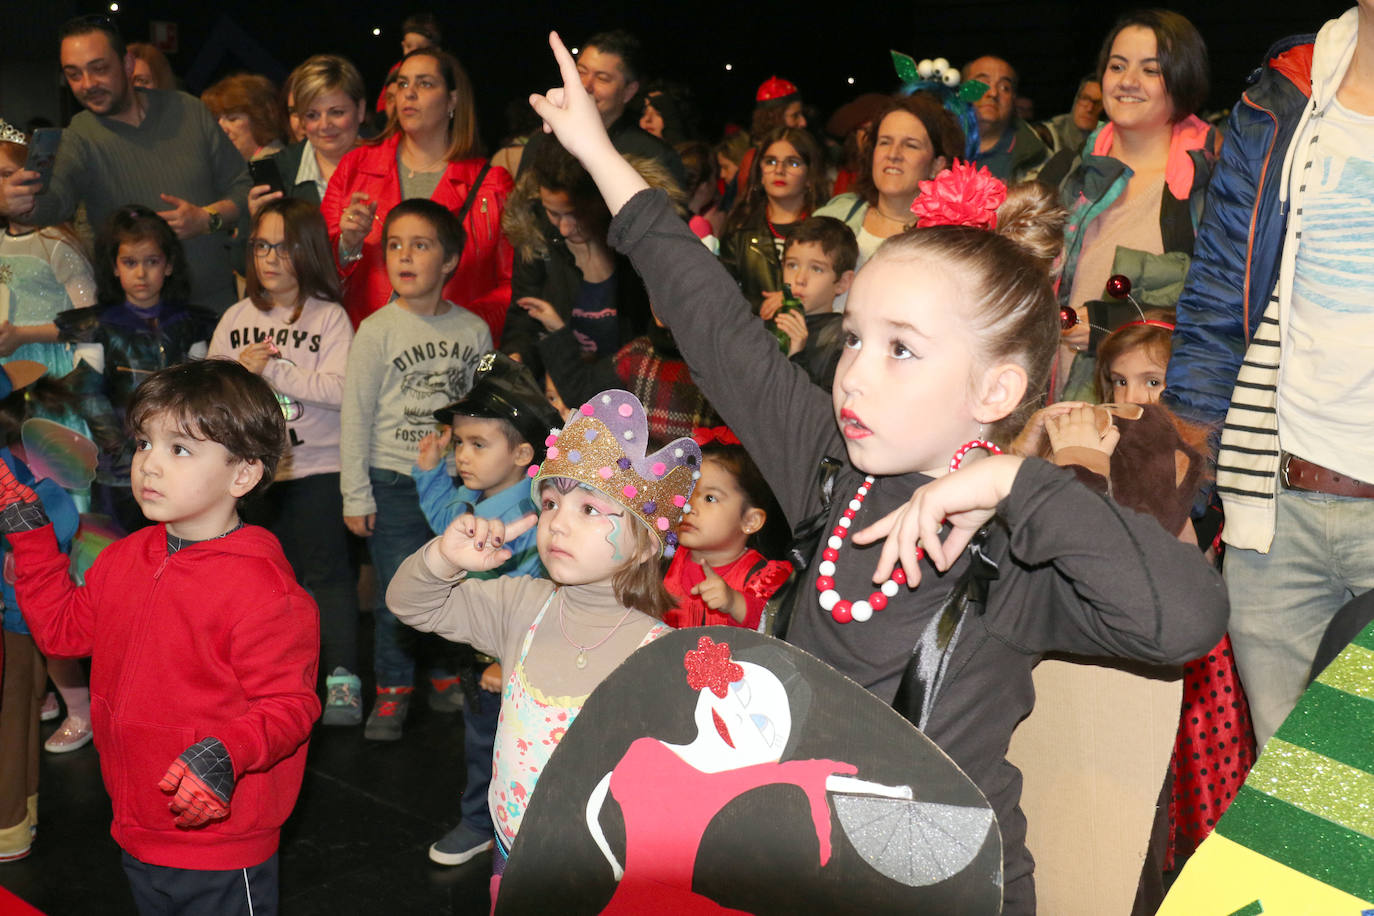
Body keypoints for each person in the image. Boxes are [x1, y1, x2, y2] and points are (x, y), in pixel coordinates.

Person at [526, 32, 1228, 911]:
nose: (854, 370)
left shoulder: (1016, 551)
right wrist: (597, 151)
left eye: (902, 349)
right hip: (796, 868)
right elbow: (710, 318)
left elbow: (1189, 621)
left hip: (942, 884)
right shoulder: (827, 461)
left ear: (997, 388)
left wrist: (1018, 486)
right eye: (854, 336)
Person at [0, 358, 320, 915]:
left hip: (223, 843)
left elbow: (290, 705)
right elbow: (62, 630)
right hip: (139, 822)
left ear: (242, 474)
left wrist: (226, 752)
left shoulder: (266, 591)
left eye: (180, 449)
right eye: (146, 443)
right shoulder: (126, 557)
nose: (149, 465)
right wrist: (30, 538)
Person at [385, 387, 700, 899]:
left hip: (610, 875)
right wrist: (445, 557)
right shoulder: (522, 606)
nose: (559, 522)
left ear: (644, 541)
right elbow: (410, 604)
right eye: (551, 502)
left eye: (591, 509)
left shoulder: (662, 654)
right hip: (513, 854)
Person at [1163, 5, 1374, 750]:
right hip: (1275, 512)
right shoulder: (1286, 89)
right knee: (1303, 824)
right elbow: (1220, 289)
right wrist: (1181, 469)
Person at [585, 638, 915, 913]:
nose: (738, 715)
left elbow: (827, 779)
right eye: (739, 689)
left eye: (762, 724)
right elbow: (594, 807)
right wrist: (613, 865)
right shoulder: (645, 751)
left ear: (774, 756)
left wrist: (898, 792)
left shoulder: (744, 780)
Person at [339, 198, 492, 741]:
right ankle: (393, 689)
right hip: (394, 481)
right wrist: (355, 495)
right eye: (395, 245)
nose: (404, 256)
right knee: (396, 593)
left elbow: (485, 409)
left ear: (449, 260)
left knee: (455, 582)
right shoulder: (376, 330)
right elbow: (355, 416)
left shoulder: (474, 331)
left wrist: (489, 479)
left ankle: (446, 671)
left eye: (420, 245)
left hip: (454, 482)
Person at [208, 198, 360, 726]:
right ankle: (267, 686)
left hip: (317, 468)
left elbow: (343, 390)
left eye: (282, 247)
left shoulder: (330, 316)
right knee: (262, 582)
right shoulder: (236, 317)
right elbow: (211, 395)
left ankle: (342, 679)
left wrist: (275, 372)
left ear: (309, 251)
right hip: (253, 477)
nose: (269, 258)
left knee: (327, 576)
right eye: (261, 246)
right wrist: (241, 375)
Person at [412, 352, 560, 869]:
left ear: (522, 453)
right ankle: (484, 821)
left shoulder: (527, 515)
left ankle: (505, 826)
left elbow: (544, 597)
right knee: (483, 745)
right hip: (479, 656)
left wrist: (507, 658)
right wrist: (430, 475)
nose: (462, 457)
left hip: (511, 663)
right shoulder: (479, 497)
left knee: (510, 749)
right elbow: (447, 526)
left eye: (478, 444)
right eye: (459, 443)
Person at [0, 16, 250, 312]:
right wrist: (19, 202)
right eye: (74, 74)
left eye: (99, 68)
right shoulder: (79, 136)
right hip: (137, 326)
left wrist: (207, 219)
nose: (88, 84)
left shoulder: (188, 111)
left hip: (215, 310)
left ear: (128, 64)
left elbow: (244, 188)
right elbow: (56, 199)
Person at [1049, 10, 1214, 403]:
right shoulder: (1065, 171)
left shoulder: (1207, 188)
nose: (1127, 81)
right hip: (1050, 395)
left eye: (1150, 70)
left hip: (1145, 415)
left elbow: (1217, 307)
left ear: (1182, 80)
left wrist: (1113, 324)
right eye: (1117, 66)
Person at [323, 46, 513, 336]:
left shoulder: (492, 184)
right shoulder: (355, 167)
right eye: (402, 83)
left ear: (453, 99)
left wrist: (459, 325)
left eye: (425, 83)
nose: (409, 93)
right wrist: (347, 245)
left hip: (453, 358)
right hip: (367, 350)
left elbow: (513, 285)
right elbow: (316, 271)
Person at [55, 205, 218, 536]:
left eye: (152, 262)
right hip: (119, 471)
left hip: (180, 460)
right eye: (130, 263)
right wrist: (123, 449)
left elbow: (200, 390)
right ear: (114, 267)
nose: (141, 274)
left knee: (179, 548)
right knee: (121, 553)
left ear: (169, 265)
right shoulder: (96, 328)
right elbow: (87, 394)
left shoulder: (190, 325)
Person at [0, 365, 79, 862]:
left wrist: (24, 554)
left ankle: (9, 824)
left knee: (15, 713)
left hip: (14, 615)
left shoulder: (13, 465)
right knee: (19, 712)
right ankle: (17, 818)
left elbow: (60, 512)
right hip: (18, 613)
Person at [499, 140, 660, 381]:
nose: (564, 228)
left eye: (574, 214)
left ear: (602, 200)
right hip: (560, 392)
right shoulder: (537, 238)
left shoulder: (636, 244)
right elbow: (523, 320)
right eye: (553, 213)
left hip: (629, 391)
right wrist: (517, 357)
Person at [518, 30, 685, 188]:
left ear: (628, 91)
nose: (585, 85)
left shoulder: (654, 157)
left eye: (602, 78)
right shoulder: (540, 144)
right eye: (581, 72)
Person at [815, 94, 964, 271]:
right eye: (885, 142)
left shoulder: (952, 242)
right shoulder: (833, 218)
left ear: (937, 165)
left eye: (910, 145)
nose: (893, 154)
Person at [663, 430, 791, 630]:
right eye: (686, 492)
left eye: (709, 498)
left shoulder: (762, 578)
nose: (689, 507)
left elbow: (779, 630)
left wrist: (734, 603)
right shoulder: (662, 560)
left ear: (750, 520)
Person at [719, 126, 828, 314]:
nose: (779, 170)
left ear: (810, 176)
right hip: (754, 335)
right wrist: (762, 305)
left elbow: (839, 288)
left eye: (792, 163)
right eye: (770, 162)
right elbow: (722, 295)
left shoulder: (827, 229)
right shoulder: (739, 228)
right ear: (760, 173)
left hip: (814, 335)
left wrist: (792, 299)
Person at [249, 55, 368, 216]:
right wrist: (259, 224)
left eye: (336, 112)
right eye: (312, 115)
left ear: (360, 110)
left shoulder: (390, 161)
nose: (325, 125)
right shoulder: (278, 171)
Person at [776, 216, 858, 391]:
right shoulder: (768, 323)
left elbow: (824, 412)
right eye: (792, 265)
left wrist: (797, 357)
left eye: (816, 269)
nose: (799, 279)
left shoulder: (843, 340)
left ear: (843, 282)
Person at [965, 55, 1049, 182]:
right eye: (982, 83)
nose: (993, 93)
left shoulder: (1034, 156)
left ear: (1013, 99)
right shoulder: (935, 141)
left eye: (1004, 87)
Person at [201, 73, 285, 162]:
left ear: (260, 119)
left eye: (232, 119)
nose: (221, 129)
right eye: (217, 120)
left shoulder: (278, 164)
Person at [1039, 75, 1104, 155]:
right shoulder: (1048, 134)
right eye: (1085, 98)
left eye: (1098, 103)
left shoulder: (1109, 143)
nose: (1090, 108)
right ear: (1076, 99)